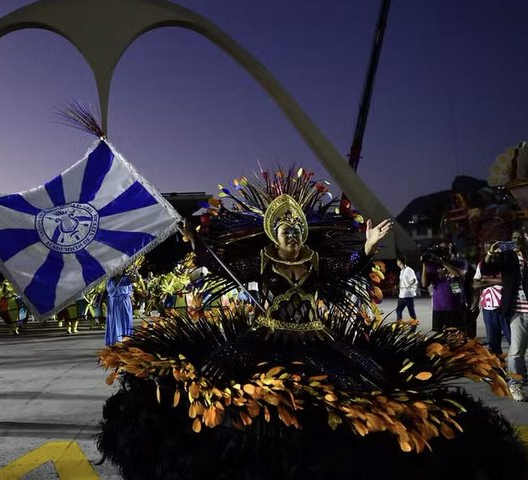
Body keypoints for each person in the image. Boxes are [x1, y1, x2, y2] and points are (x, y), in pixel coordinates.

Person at [98, 168, 525, 479]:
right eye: (283, 227)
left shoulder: (317, 261)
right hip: (265, 333)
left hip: (314, 334)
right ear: (272, 233)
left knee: (365, 377)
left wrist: (369, 246)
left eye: (296, 226)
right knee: (221, 378)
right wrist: (196, 241)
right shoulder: (261, 260)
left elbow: (347, 269)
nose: (291, 232)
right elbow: (218, 263)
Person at [481, 230, 528, 401]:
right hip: (518, 312)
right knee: (516, 351)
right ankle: (516, 385)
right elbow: (487, 269)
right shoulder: (507, 257)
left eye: (522, 238)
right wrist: (490, 253)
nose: (518, 241)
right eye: (514, 238)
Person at [421, 240, 468, 332]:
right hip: (439, 306)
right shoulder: (433, 265)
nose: (443, 250)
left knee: (457, 336)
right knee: (440, 339)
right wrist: (424, 265)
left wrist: (442, 262)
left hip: (456, 305)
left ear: (452, 250)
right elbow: (424, 284)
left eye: (446, 248)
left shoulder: (460, 262)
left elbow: (459, 274)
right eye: (441, 248)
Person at [474, 256, 508, 355]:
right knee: (493, 344)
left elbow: (508, 282)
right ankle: (498, 368)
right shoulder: (481, 265)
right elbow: (475, 284)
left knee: (513, 340)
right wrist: (498, 281)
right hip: (488, 308)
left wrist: (485, 282)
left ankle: (517, 368)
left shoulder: (505, 264)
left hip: (506, 307)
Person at [105, 271, 137, 346]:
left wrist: (135, 271)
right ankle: (114, 340)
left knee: (125, 321)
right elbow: (107, 292)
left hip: (124, 303)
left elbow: (136, 279)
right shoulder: (110, 280)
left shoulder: (126, 278)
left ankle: (125, 340)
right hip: (113, 303)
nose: (118, 270)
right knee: (114, 321)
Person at [395, 254, 418, 323]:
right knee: (398, 310)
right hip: (402, 295)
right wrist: (399, 286)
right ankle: (398, 326)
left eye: (397, 261)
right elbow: (402, 281)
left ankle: (413, 328)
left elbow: (413, 280)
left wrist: (408, 285)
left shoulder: (409, 270)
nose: (396, 263)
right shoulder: (402, 271)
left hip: (408, 294)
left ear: (400, 261)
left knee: (411, 312)